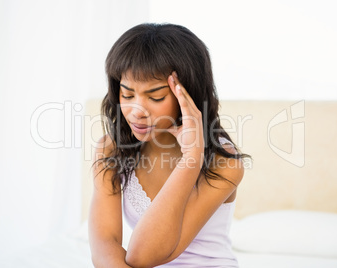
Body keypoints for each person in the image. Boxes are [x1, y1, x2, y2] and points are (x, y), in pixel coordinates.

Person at [88, 23, 249, 268]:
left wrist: (192, 157)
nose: (137, 112)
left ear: (189, 94)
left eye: (156, 97)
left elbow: (142, 256)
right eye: (127, 95)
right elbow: (104, 244)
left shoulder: (224, 162)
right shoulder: (111, 150)